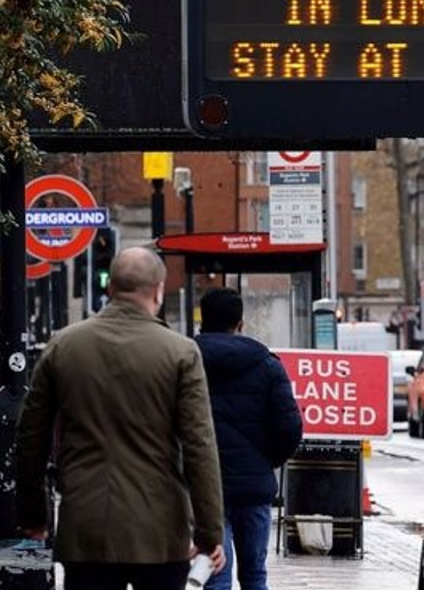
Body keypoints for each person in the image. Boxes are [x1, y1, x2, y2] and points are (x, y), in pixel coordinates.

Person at [16, 246, 226, 589]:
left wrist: (33, 517)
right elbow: (199, 447)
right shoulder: (180, 353)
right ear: (158, 290)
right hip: (160, 530)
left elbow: (31, 438)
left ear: (109, 288)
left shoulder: (64, 346)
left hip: (86, 526)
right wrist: (208, 533)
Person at [196, 287, 303, 590]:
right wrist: (266, 460)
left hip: (204, 487)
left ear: (202, 321)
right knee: (255, 575)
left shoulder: (184, 360)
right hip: (254, 486)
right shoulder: (267, 364)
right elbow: (290, 427)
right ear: (240, 323)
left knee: (214, 575)